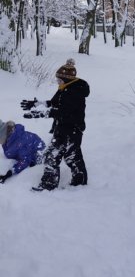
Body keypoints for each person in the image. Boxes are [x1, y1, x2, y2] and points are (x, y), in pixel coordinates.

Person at [21, 58, 90, 191]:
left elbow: (62, 112)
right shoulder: (65, 88)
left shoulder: (75, 91)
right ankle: (50, 184)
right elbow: (54, 102)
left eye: (59, 79)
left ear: (66, 79)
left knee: (70, 157)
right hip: (62, 128)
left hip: (72, 130)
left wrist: (40, 114)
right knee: (54, 156)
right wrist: (36, 104)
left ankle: (79, 183)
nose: (57, 81)